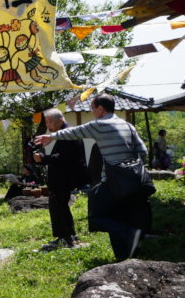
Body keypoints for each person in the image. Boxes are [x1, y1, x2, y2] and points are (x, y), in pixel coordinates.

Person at [34, 94, 150, 262]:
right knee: (120, 214)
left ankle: (129, 234)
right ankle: (125, 256)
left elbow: (75, 131)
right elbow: (143, 152)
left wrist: (50, 137)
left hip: (113, 179)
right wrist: (130, 165)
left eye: (92, 108)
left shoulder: (100, 124)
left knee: (96, 216)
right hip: (134, 178)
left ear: (100, 109)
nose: (91, 112)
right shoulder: (127, 125)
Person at [33, 109, 87, 250]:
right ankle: (65, 236)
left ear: (59, 120)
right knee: (58, 205)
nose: (48, 126)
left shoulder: (68, 133)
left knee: (59, 205)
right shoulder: (64, 133)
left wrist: (43, 158)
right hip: (63, 175)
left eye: (49, 122)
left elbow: (63, 157)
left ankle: (67, 237)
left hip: (65, 175)